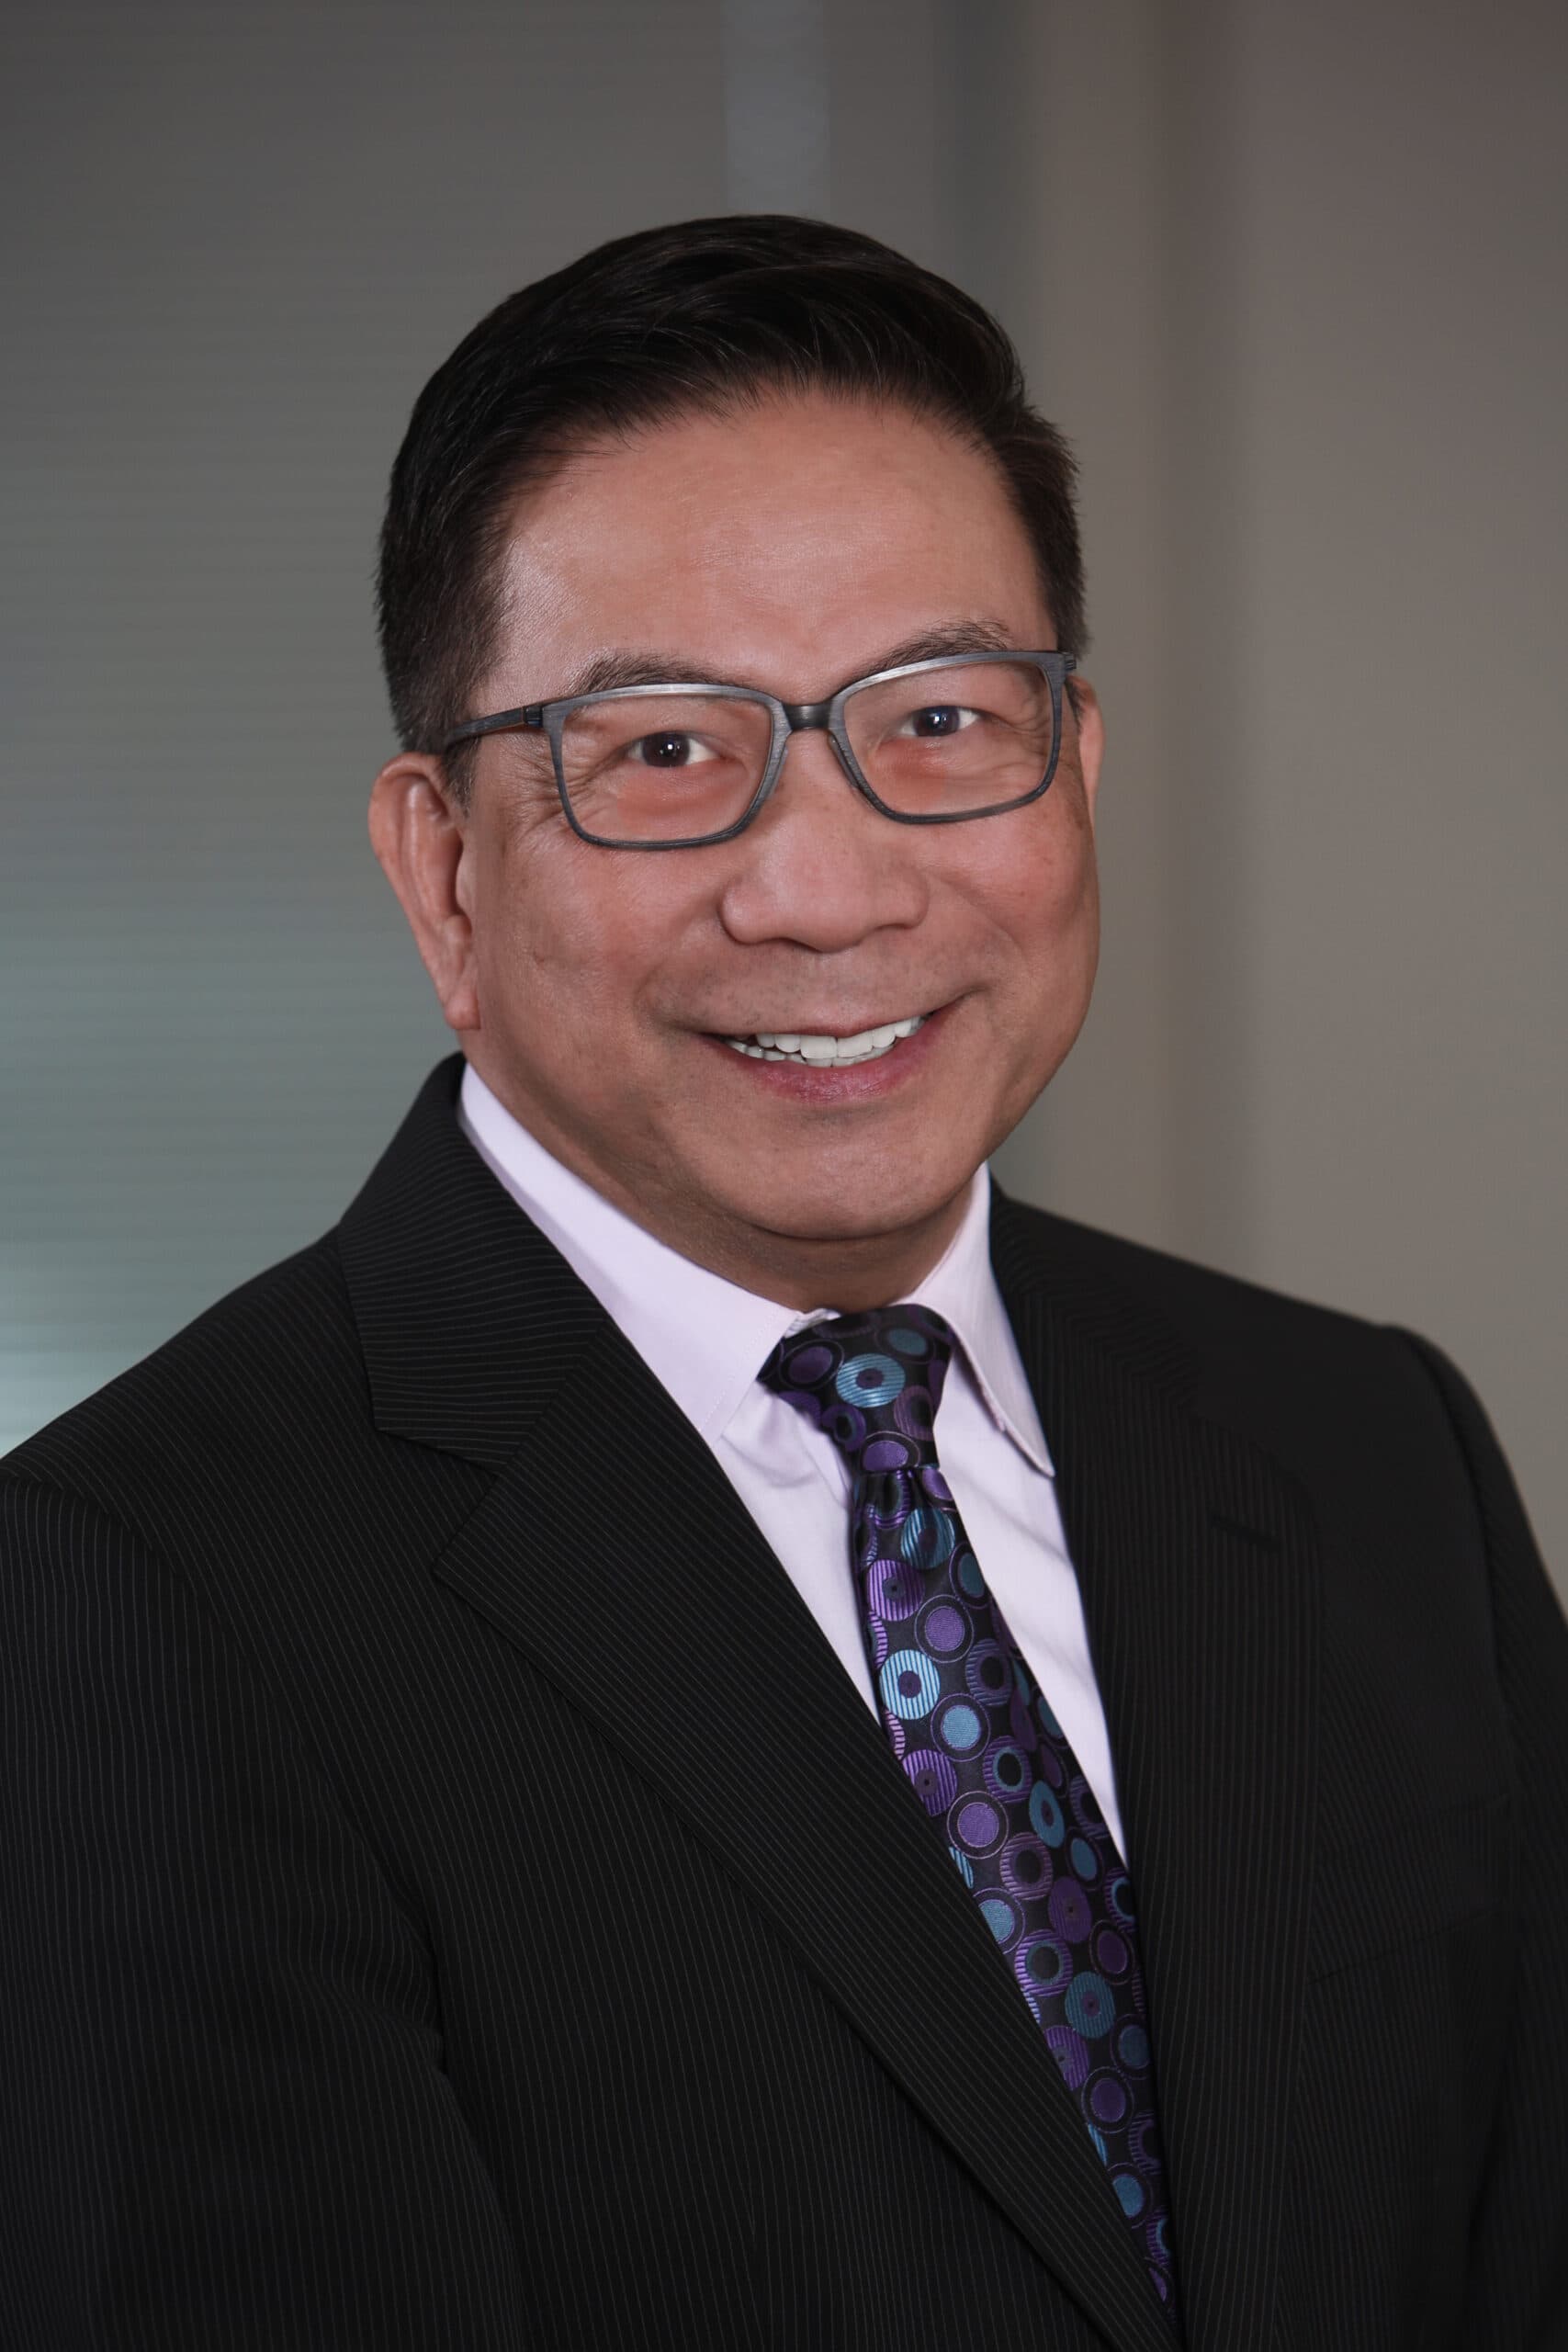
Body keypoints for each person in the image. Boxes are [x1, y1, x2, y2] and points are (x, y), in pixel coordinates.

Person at [2, 215, 1563, 2352]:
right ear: (443, 867)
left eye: (939, 718)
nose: (823, 889)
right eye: (661, 748)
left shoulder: (1367, 1446)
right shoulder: (131, 1600)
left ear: (1075, 771)